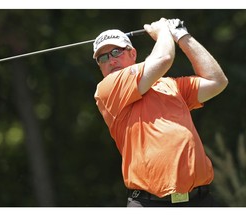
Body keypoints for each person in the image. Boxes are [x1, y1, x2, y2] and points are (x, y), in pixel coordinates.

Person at [92, 18, 228, 207]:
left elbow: (217, 81)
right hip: (149, 204)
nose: (111, 60)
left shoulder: (170, 85)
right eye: (103, 57)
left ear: (132, 53)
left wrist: (182, 36)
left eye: (116, 51)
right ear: (99, 66)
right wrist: (164, 30)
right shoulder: (108, 89)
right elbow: (164, 58)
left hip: (200, 201)